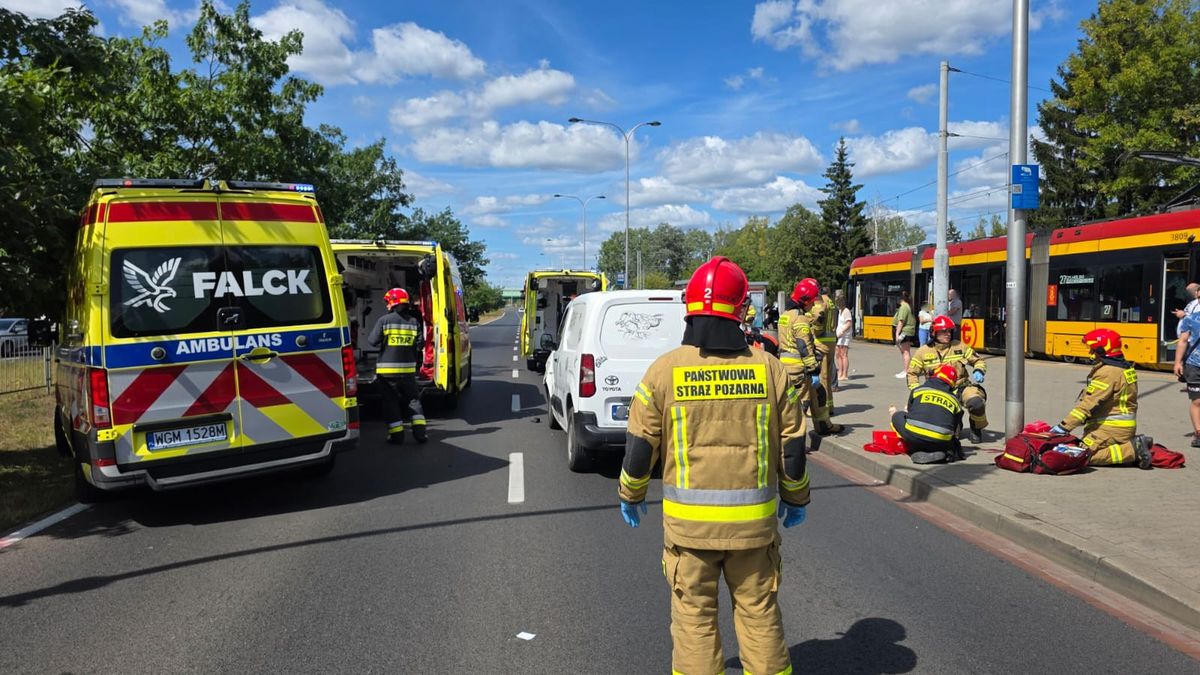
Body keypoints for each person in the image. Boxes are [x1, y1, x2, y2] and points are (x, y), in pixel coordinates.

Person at [618, 256, 809, 675]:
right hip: (754, 531)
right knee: (759, 616)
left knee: (694, 622)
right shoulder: (769, 369)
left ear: (689, 306)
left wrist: (631, 494)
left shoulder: (664, 370)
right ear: (742, 309)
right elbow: (793, 447)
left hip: (690, 533)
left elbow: (639, 446)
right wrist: (796, 499)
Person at [1052, 329, 1152, 468]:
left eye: (1093, 349)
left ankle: (1134, 448)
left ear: (1102, 349)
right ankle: (1132, 446)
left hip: (1110, 429)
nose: (1091, 353)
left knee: (1081, 456)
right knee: (1077, 448)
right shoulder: (1124, 367)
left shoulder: (1108, 372)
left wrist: (1063, 427)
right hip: (1119, 427)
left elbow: (1088, 405)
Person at [907, 315, 988, 443]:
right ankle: (956, 423)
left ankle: (976, 427)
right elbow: (912, 373)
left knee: (976, 402)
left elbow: (978, 360)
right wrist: (917, 391)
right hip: (937, 391)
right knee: (950, 435)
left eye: (949, 331)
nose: (948, 334)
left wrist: (979, 370)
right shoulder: (923, 352)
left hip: (961, 387)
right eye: (943, 331)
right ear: (934, 333)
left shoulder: (959, 346)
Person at [368, 288, 427, 444]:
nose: (387, 305)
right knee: (413, 401)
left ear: (393, 303)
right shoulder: (413, 322)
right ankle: (420, 434)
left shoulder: (384, 320)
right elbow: (420, 344)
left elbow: (372, 341)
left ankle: (397, 436)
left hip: (386, 373)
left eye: (388, 302)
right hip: (408, 371)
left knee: (391, 402)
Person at [890, 363, 964, 464]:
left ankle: (916, 450)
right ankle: (941, 452)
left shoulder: (918, 390)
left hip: (914, 436)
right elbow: (955, 428)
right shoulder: (955, 400)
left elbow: (910, 413)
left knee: (897, 415)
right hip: (940, 441)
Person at [1174, 312, 1200, 448]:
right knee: (1197, 401)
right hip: (1194, 365)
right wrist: (1177, 362)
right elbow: (1183, 341)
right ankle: (1199, 433)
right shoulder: (1191, 318)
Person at [893, 290, 917, 378]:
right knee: (904, 351)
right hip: (907, 331)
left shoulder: (903, 307)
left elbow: (901, 321)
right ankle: (905, 370)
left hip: (905, 331)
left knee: (905, 352)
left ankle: (907, 371)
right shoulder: (908, 306)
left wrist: (897, 333)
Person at [835, 292, 852, 387]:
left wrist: (841, 331)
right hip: (839, 335)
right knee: (838, 354)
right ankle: (840, 372)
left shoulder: (846, 311)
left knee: (843, 354)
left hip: (844, 335)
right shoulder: (840, 311)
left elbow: (848, 323)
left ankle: (844, 374)